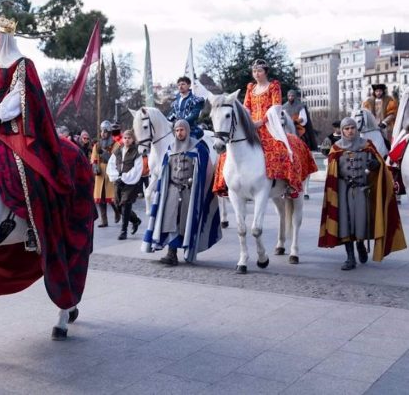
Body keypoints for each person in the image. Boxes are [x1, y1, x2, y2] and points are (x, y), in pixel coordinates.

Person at [0, 13, 73, 251]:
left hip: (11, 123)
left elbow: (20, 94)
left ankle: (32, 225)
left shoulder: (21, 63)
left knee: (25, 165)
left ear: (5, 37)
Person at [213, 59, 317, 197]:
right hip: (251, 126)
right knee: (227, 153)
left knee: (281, 150)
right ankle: (227, 184)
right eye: (254, 71)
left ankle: (289, 184)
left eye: (260, 71)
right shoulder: (251, 88)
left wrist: (261, 122)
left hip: (269, 126)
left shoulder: (273, 86)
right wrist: (248, 122)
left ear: (266, 72)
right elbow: (246, 108)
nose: (256, 74)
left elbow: (276, 107)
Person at [319, 117, 406, 270]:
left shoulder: (367, 145)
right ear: (342, 130)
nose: (350, 130)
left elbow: (379, 164)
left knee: (361, 221)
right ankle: (350, 257)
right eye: (346, 128)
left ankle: (360, 245)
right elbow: (332, 173)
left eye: (352, 127)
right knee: (345, 223)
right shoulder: (336, 148)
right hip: (343, 190)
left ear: (356, 129)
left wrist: (376, 164)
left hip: (362, 190)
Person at [143, 120, 221, 265]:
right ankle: (171, 254)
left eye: (182, 130)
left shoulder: (198, 148)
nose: (179, 133)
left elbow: (208, 171)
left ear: (187, 130)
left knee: (185, 223)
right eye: (177, 130)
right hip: (172, 191)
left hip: (189, 192)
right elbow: (164, 171)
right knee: (170, 221)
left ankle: (188, 252)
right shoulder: (170, 148)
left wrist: (201, 192)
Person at [107, 129, 142, 240]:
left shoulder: (137, 153)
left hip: (130, 183)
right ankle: (135, 220)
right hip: (118, 181)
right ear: (122, 139)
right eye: (125, 138)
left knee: (125, 204)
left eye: (129, 138)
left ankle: (123, 231)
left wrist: (125, 177)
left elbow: (137, 169)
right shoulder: (118, 151)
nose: (127, 140)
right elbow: (111, 164)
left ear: (133, 139)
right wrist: (115, 176)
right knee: (118, 205)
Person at [91, 120, 121, 227]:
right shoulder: (97, 145)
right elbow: (94, 159)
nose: (102, 133)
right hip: (100, 172)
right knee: (101, 198)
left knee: (111, 197)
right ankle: (104, 221)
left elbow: (114, 159)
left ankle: (117, 212)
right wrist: (95, 168)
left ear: (109, 132)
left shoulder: (116, 145)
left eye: (105, 131)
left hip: (110, 171)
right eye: (101, 131)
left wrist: (103, 153)